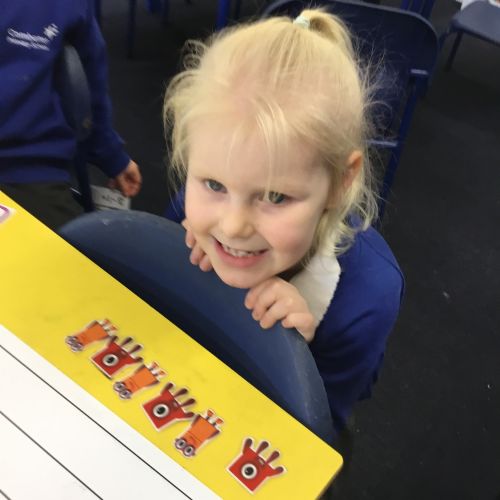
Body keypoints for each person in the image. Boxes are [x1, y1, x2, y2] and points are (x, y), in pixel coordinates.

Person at [163, 10, 404, 434]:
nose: (232, 226)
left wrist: (294, 357)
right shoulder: (193, 206)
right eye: (214, 184)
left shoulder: (368, 292)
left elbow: (318, 432)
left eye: (275, 196)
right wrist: (168, 255)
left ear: (341, 182)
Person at [0, 0, 142, 230]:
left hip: (29, 167)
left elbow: (91, 86)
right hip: (29, 164)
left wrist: (111, 155)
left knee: (65, 249)